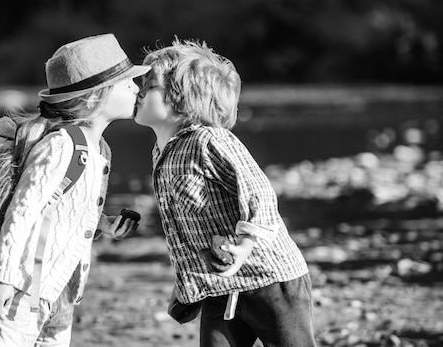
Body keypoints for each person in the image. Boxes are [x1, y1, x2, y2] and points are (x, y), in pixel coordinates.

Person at [0, 33, 150, 346]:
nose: (136, 88)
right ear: (97, 96)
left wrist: (103, 223)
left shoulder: (100, 150)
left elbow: (61, 208)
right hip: (18, 288)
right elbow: (22, 211)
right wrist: (3, 276)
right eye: (126, 83)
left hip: (58, 293)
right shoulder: (60, 145)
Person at [134, 38, 316, 347]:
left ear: (182, 99)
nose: (137, 93)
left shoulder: (211, 141)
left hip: (271, 281)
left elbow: (260, 193)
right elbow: (184, 230)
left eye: (148, 87)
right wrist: (185, 287)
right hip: (218, 285)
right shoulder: (160, 153)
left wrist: (245, 245)